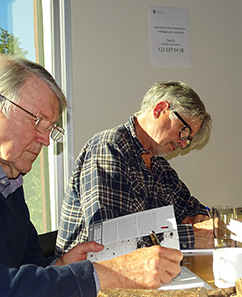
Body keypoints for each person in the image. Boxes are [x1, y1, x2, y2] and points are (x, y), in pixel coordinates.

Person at [0, 54, 183, 297]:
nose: (45, 139)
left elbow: (26, 267)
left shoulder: (7, 179)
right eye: (37, 120)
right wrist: (108, 274)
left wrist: (60, 265)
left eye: (50, 127)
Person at [56, 81, 213, 256]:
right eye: (184, 132)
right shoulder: (109, 148)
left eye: (188, 139)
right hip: (86, 276)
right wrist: (188, 236)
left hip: (137, 274)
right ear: (160, 109)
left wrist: (201, 219)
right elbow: (110, 238)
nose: (183, 143)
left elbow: (192, 208)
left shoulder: (161, 168)